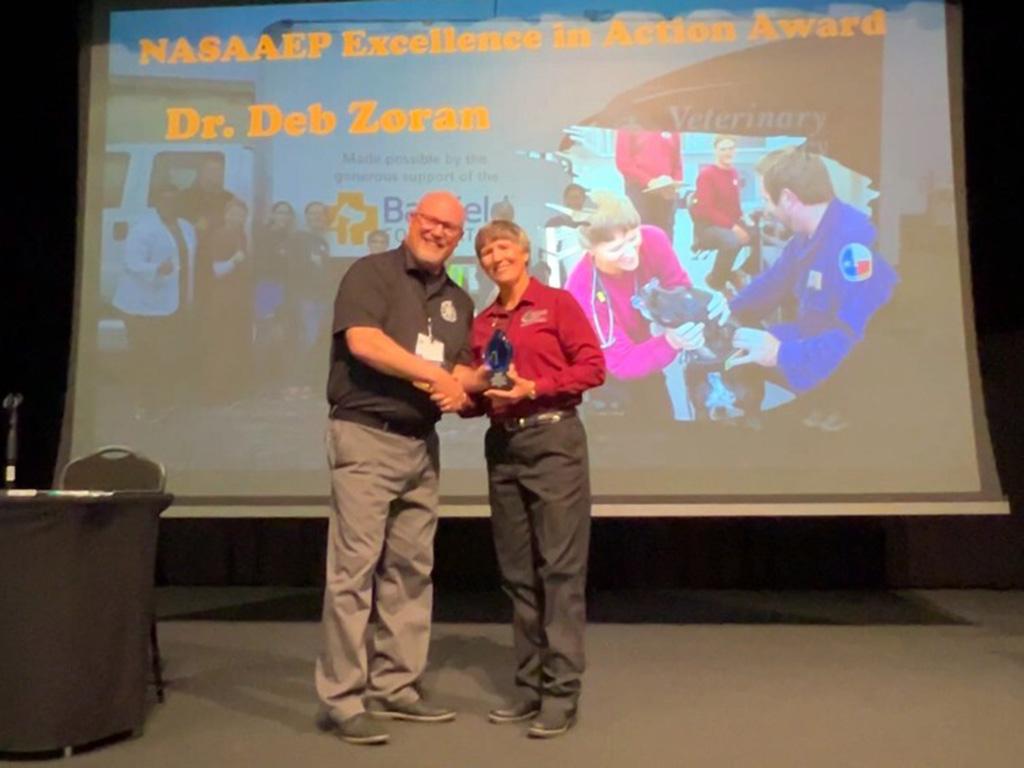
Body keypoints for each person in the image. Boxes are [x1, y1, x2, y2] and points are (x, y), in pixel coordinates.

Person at [315, 190, 475, 746]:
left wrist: (482, 384)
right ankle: (342, 698)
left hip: (420, 444)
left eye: (451, 227)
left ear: (459, 236)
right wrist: (438, 379)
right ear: (412, 220)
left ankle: (395, 688)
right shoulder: (371, 273)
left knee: (411, 570)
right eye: (432, 221)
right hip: (365, 437)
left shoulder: (459, 299)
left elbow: (459, 372)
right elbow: (365, 343)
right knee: (353, 574)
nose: (439, 232)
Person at [460, 220, 604, 738]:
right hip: (502, 446)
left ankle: (561, 692)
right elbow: (481, 398)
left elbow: (593, 367)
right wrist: (463, 396)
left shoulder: (558, 304)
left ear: (523, 252)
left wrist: (535, 387)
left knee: (560, 571)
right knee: (518, 574)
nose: (494, 255)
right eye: (484, 251)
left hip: (554, 440)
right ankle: (529, 687)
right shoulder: (482, 324)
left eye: (502, 246)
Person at [728, 147, 898, 401]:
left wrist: (781, 353)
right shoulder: (807, 237)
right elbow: (774, 283)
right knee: (739, 350)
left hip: (852, 365)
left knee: (748, 360)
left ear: (787, 198)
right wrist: (726, 311)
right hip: (812, 338)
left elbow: (854, 340)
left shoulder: (853, 244)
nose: (766, 210)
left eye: (765, 199)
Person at [563, 191, 728, 421]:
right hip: (607, 372)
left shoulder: (653, 239)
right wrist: (670, 341)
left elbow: (680, 291)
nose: (630, 253)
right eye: (615, 248)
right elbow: (622, 363)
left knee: (663, 426)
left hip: (642, 348)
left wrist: (709, 305)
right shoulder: (582, 292)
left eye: (632, 238)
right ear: (590, 250)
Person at [112, 184, 196, 417]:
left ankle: (160, 402)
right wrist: (157, 268)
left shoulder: (186, 226)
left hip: (171, 304)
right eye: (165, 200)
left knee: (164, 355)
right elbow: (132, 263)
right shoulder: (144, 228)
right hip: (141, 306)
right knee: (144, 356)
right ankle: (144, 405)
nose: (171, 204)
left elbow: (189, 261)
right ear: (157, 203)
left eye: (175, 200)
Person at [692, 134, 760, 293]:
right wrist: (733, 227)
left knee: (762, 234)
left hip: (730, 224)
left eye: (731, 148)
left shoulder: (734, 173)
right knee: (732, 240)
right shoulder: (707, 175)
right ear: (715, 151)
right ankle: (716, 280)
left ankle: (740, 273)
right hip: (709, 228)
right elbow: (705, 210)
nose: (728, 152)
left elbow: (733, 206)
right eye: (723, 149)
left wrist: (744, 219)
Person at [614, 123, 682, 242]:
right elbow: (623, 162)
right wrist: (648, 181)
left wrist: (675, 184)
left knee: (665, 237)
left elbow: (677, 163)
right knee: (642, 236)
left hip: (666, 192)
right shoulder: (628, 126)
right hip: (639, 191)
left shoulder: (671, 126)